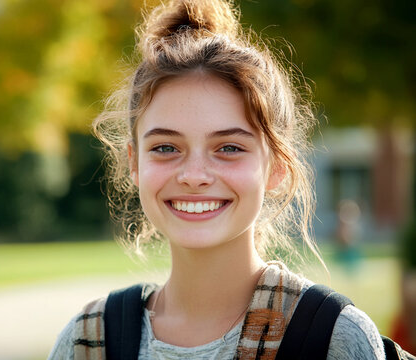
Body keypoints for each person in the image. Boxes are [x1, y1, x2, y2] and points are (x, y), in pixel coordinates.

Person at [48, 0, 385, 358]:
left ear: (277, 166)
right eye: (165, 148)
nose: (194, 176)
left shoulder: (334, 338)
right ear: (134, 163)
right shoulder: (88, 340)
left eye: (228, 147)